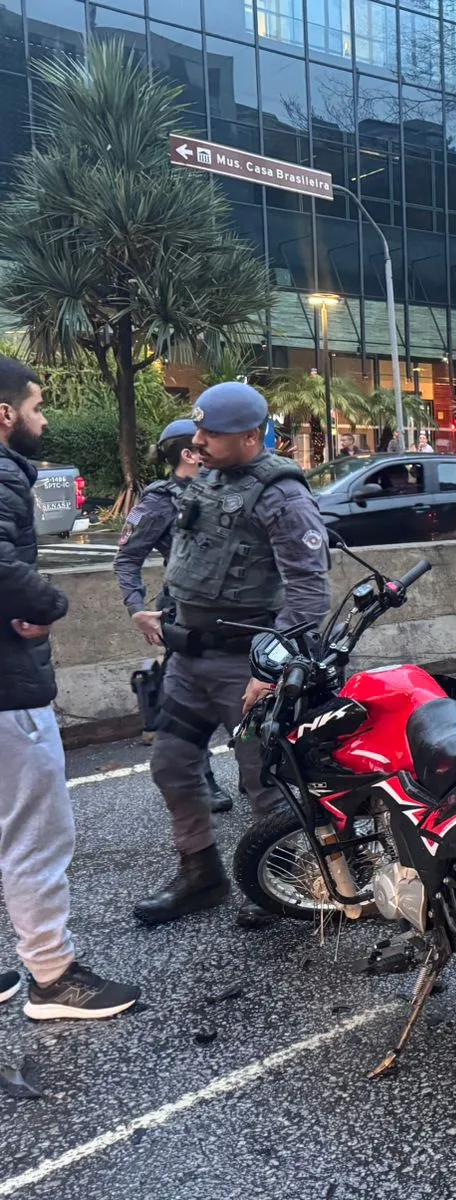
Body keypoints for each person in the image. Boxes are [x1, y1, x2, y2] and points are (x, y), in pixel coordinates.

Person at [133, 382, 332, 928]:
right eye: (197, 429)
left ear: (251, 435)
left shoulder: (281, 495)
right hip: (186, 661)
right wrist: (159, 609)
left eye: (210, 432)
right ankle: (201, 874)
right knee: (172, 765)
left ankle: (287, 879)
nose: (197, 440)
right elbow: (192, 560)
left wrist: (274, 669)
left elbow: (310, 594)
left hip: (242, 664)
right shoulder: (209, 480)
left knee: (263, 784)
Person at [0, 355, 140, 1019]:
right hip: (7, 690)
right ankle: (53, 978)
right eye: (35, 405)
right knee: (36, 831)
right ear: (4, 414)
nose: (44, 417)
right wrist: (49, 603)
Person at [115, 418, 231, 813]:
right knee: (191, 704)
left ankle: (260, 774)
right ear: (188, 454)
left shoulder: (229, 488)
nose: (209, 445)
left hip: (238, 614)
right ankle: (204, 780)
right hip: (187, 617)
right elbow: (127, 559)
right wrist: (137, 610)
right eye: (204, 441)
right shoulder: (161, 500)